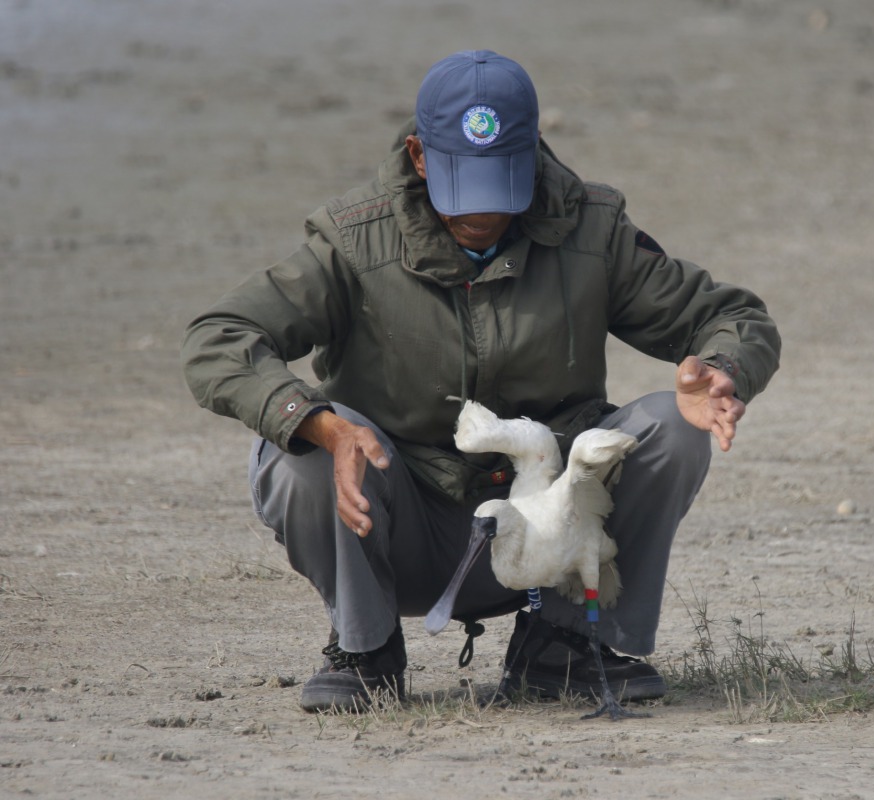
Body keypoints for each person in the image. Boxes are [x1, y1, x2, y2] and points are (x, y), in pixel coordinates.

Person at [181, 49, 781, 713]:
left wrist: (722, 372)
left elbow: (735, 318)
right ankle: (365, 650)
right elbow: (219, 338)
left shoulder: (593, 231)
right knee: (296, 453)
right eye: (462, 182)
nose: (483, 212)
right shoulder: (352, 243)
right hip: (407, 527)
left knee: (672, 428)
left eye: (501, 183)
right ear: (418, 156)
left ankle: (566, 642)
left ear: (533, 157)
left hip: (551, 524)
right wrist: (317, 423)